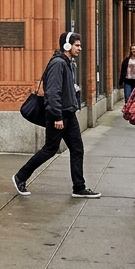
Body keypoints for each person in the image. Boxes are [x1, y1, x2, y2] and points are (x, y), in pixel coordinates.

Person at [11, 32, 99, 199]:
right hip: (59, 115)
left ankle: (79, 187)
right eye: (77, 45)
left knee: (77, 149)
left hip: (68, 113)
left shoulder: (66, 63)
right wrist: (57, 116)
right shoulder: (58, 64)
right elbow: (52, 93)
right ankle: (20, 176)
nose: (80, 48)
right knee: (50, 149)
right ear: (67, 46)